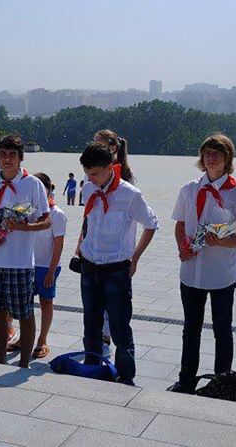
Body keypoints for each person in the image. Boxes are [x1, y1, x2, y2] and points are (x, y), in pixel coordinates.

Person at [168, 134, 236, 394]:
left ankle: (222, 383)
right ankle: (186, 380)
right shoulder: (189, 189)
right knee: (190, 330)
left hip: (221, 275)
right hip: (191, 273)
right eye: (207, 153)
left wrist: (221, 243)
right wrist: (181, 246)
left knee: (222, 330)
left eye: (217, 153)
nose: (211, 157)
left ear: (227, 159)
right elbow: (181, 224)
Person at [76, 142, 158, 385]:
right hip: (89, 267)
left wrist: (135, 257)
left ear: (110, 167)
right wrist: (81, 248)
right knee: (91, 323)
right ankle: (91, 369)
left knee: (120, 328)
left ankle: (126, 376)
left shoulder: (130, 195)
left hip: (115, 270)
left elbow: (152, 224)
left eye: (95, 173)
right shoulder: (90, 189)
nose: (90, 179)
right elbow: (89, 221)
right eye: (87, 173)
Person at [0, 135, 50, 368]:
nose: (7, 159)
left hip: (20, 261)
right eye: (3, 154)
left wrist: (25, 226)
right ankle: (0, 359)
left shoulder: (32, 184)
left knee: (25, 313)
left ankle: (23, 363)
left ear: (20, 158)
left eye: (12, 155)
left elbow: (47, 220)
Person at [93, 129, 135, 356]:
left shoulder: (122, 177)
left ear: (113, 148)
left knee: (113, 304)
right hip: (95, 247)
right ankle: (99, 340)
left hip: (114, 250)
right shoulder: (94, 175)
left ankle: (108, 341)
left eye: (100, 145)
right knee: (96, 300)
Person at [32, 172, 67, 359]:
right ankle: (25, 337)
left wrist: (51, 271)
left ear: (48, 189)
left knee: (46, 302)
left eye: (41, 188)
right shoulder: (30, 210)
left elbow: (59, 245)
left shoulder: (57, 214)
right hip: (29, 264)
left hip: (47, 265)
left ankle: (42, 339)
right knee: (25, 304)